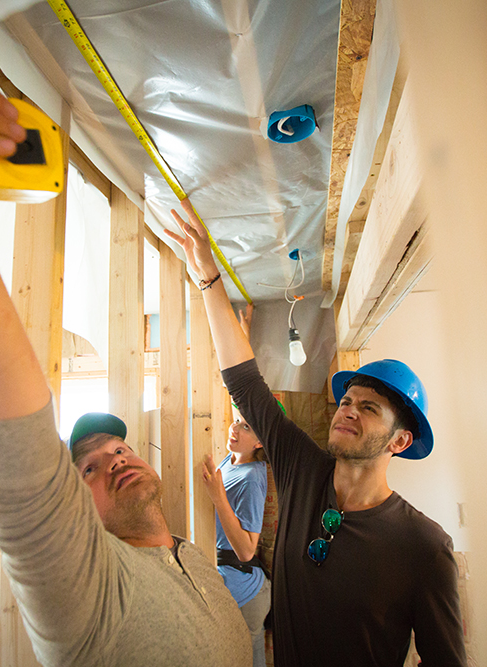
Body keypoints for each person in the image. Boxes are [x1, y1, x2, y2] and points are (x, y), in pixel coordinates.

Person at [0, 47, 250, 666]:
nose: (114, 460)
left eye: (116, 450)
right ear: (76, 511)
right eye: (88, 470)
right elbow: (20, 475)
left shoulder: (194, 557)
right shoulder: (87, 596)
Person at [168, 200, 467, 666]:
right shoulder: (302, 468)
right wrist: (208, 277)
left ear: (400, 441)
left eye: (368, 408)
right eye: (347, 401)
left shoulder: (424, 548)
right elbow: (245, 383)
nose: (347, 411)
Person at [201, 394, 271, 667]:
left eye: (246, 427)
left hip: (245, 592)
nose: (235, 428)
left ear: (259, 442)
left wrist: (218, 497)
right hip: (229, 584)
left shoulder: (251, 477)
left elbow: (246, 550)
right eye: (237, 421)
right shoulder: (227, 463)